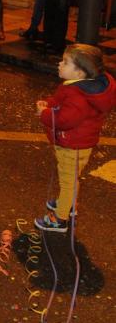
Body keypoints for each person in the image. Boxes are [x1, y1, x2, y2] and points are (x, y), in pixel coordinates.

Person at [34, 44, 116, 233]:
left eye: (65, 62)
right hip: (80, 143)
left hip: (72, 145)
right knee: (72, 178)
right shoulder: (80, 86)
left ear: (79, 72)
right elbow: (61, 102)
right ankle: (69, 204)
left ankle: (60, 219)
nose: (59, 64)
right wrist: (49, 104)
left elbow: (64, 120)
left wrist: (44, 113)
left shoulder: (77, 94)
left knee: (68, 182)